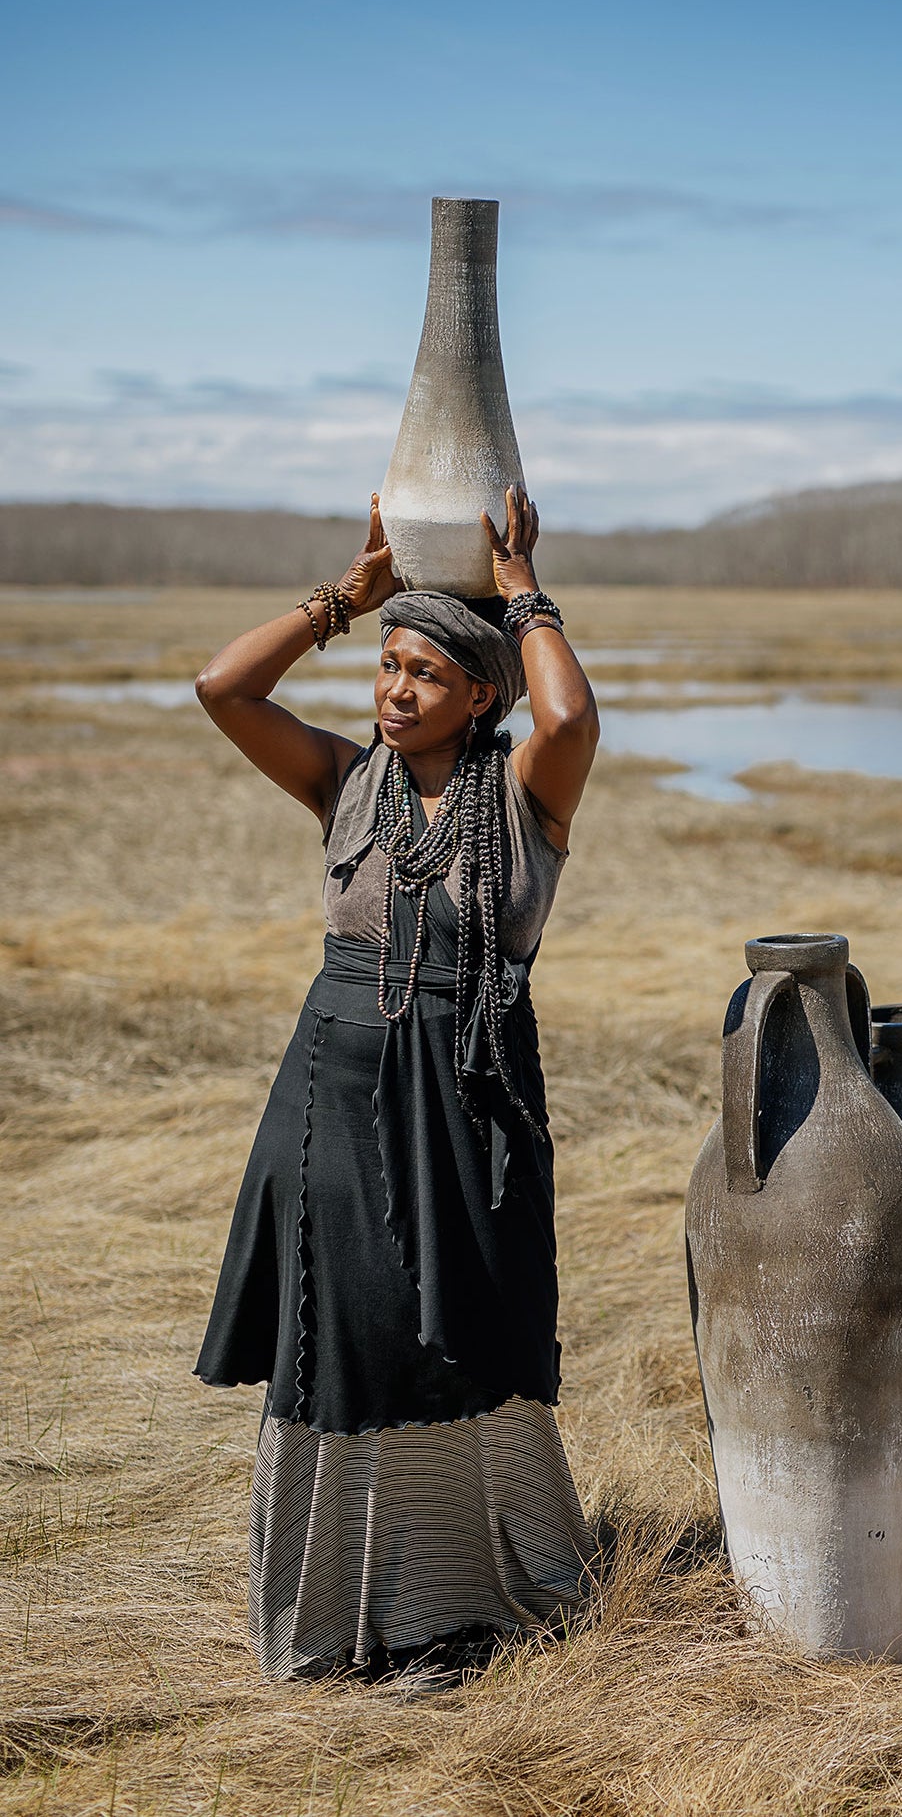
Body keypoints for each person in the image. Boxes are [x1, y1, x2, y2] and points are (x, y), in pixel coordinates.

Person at [193, 484, 600, 1679]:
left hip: (473, 1106)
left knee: (473, 1336)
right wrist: (343, 597)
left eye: (425, 672)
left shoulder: (526, 797)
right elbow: (224, 688)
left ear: (481, 694)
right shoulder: (342, 779)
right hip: (333, 1097)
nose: (395, 689)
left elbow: (572, 716)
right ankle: (338, 1616)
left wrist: (522, 590)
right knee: (353, 1345)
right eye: (388, 666)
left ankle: (463, 1596)